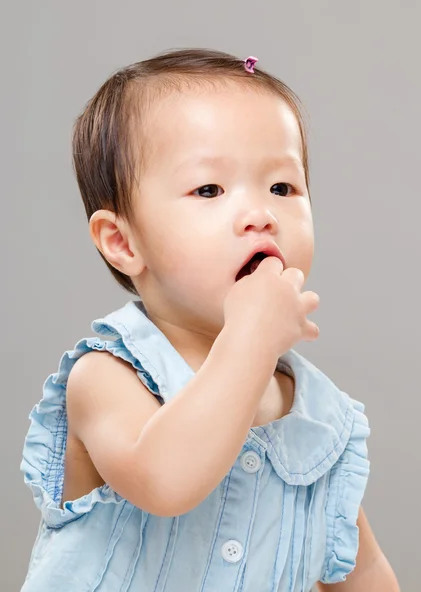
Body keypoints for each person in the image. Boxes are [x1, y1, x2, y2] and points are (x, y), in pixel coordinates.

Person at [20, 48, 400, 591]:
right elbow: (166, 481)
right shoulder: (108, 378)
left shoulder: (321, 422)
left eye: (282, 188)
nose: (261, 214)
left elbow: (362, 571)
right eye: (209, 190)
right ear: (122, 242)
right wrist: (249, 342)